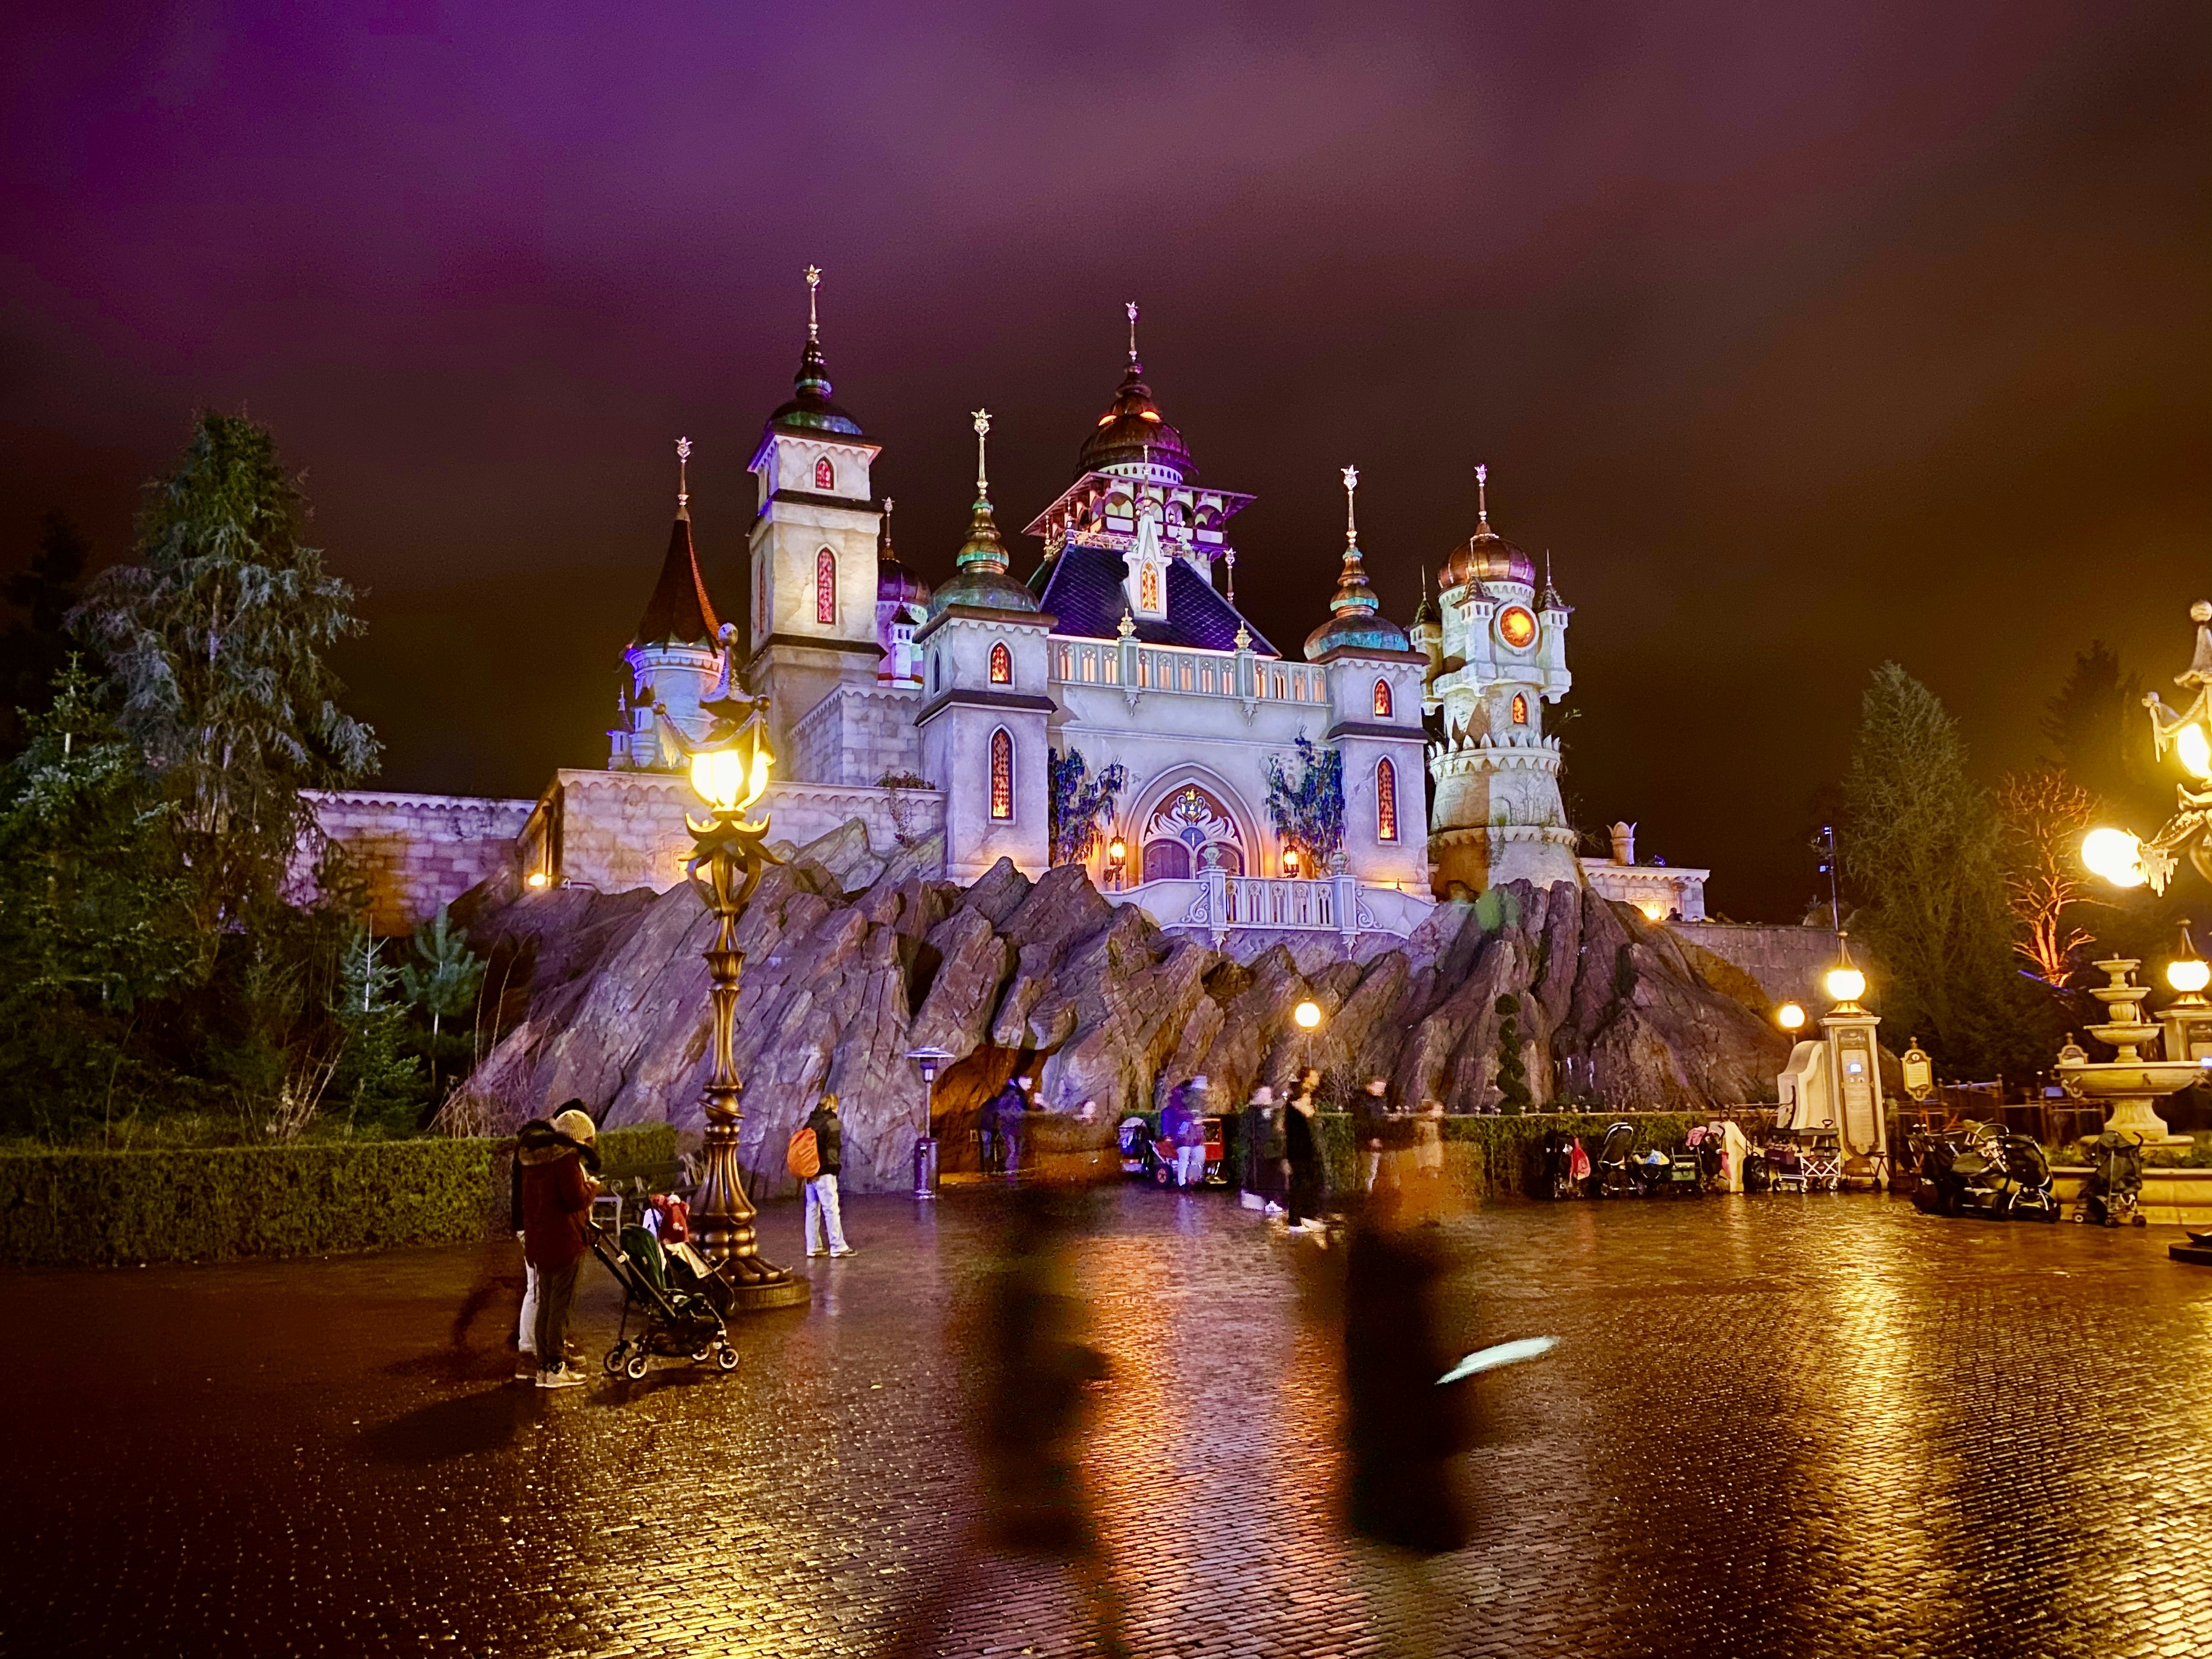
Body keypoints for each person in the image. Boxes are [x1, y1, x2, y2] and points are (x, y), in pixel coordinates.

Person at [520, 1103, 602, 1389]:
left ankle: (544, 1366)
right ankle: (555, 1367)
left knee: (545, 1304)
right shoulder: (565, 1160)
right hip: (565, 1240)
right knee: (560, 1306)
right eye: (587, 1140)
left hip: (541, 1241)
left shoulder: (535, 1160)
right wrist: (592, 1187)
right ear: (577, 1138)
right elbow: (575, 1200)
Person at [803, 1092, 855, 1258]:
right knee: (831, 1209)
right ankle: (838, 1246)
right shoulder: (833, 1123)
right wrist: (835, 1169)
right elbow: (832, 1150)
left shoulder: (811, 1122)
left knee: (812, 1209)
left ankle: (813, 1247)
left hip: (810, 1172)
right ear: (834, 1106)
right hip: (825, 1171)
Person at [1284, 1068, 1325, 1237]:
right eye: (1314, 1076)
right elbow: (1308, 1114)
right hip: (1298, 1149)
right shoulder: (1297, 1098)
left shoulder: (1308, 1097)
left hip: (1307, 1148)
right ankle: (1294, 1220)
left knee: (1310, 1182)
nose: (1318, 1079)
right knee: (1299, 1184)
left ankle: (1306, 1215)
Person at [1355, 1077, 1392, 1192]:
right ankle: (1365, 1194)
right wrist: (1370, 1138)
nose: (1381, 1090)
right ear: (1369, 1086)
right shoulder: (1361, 1101)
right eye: (1378, 1086)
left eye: (1383, 1088)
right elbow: (1362, 1122)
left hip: (1381, 1142)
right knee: (1368, 1171)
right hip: (1368, 1143)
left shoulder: (1382, 1101)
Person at [1175, 1075, 1211, 1188]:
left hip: (1196, 1135)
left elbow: (1203, 1114)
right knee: (1184, 1158)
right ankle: (1182, 1183)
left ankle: (1193, 1179)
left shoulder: (1201, 1101)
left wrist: (1201, 1120)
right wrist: (1192, 1119)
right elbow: (1179, 1113)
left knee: (1199, 1155)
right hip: (1185, 1135)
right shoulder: (1185, 1099)